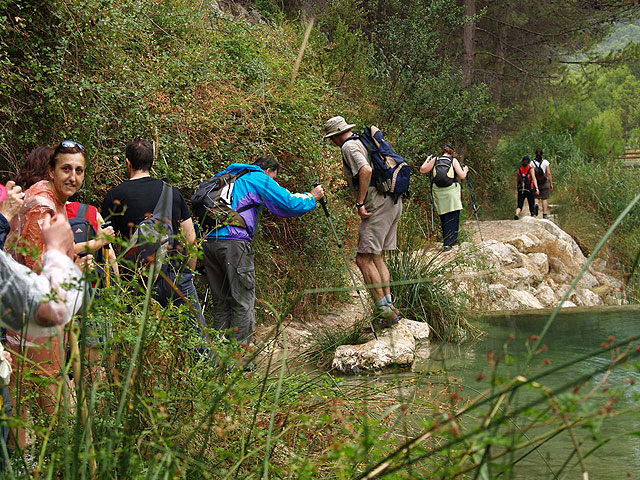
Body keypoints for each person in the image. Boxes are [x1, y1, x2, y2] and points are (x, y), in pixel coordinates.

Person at [5, 140, 87, 446]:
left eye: (79, 171)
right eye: (66, 169)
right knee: (46, 383)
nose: (73, 177)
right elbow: (37, 262)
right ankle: (69, 454)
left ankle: (23, 457)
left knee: (23, 386)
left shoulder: (53, 199)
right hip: (34, 311)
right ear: (51, 170)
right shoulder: (43, 205)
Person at [201, 156, 323, 346]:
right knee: (242, 300)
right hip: (234, 243)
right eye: (274, 178)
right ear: (269, 172)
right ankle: (237, 361)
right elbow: (289, 203)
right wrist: (312, 197)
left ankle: (217, 359)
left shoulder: (227, 175)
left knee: (222, 303)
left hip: (209, 241)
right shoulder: (258, 178)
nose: (273, 182)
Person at [101, 138, 205, 331]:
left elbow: (106, 244)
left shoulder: (114, 195)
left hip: (135, 278)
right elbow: (191, 239)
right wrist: (187, 273)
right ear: (153, 163)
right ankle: (205, 360)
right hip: (173, 275)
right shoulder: (172, 193)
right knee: (196, 336)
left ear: (127, 163)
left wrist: (117, 281)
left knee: (135, 336)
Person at [324, 116, 403, 327]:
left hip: (377, 205)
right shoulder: (363, 140)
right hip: (393, 201)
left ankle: (385, 313)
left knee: (363, 259)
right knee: (377, 256)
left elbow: (365, 170)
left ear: (335, 136)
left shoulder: (348, 147)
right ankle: (390, 309)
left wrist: (360, 202)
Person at [513, 155, 539, 220]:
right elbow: (534, 178)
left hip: (521, 190)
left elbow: (517, 180)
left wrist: (518, 188)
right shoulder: (531, 169)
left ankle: (517, 214)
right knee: (531, 205)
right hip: (530, 189)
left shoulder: (519, 170)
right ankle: (533, 216)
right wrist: (537, 188)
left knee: (519, 205)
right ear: (528, 162)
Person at [532, 148, 553, 219]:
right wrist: (551, 183)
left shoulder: (532, 163)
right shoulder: (545, 162)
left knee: (536, 197)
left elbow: (532, 174)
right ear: (542, 154)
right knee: (544, 198)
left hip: (536, 182)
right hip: (544, 182)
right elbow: (549, 173)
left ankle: (536, 204)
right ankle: (544, 214)